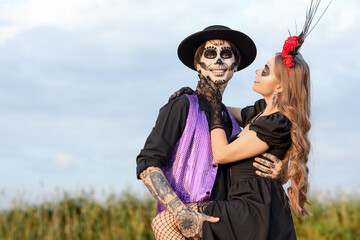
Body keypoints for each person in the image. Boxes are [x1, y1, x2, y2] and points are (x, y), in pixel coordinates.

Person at [136, 25, 284, 239]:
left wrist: (282, 172)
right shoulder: (182, 106)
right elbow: (147, 163)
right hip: (178, 226)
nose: (218, 61)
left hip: (219, 227)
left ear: (235, 65)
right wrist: (180, 211)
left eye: (225, 54)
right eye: (210, 54)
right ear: (199, 65)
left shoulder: (233, 123)